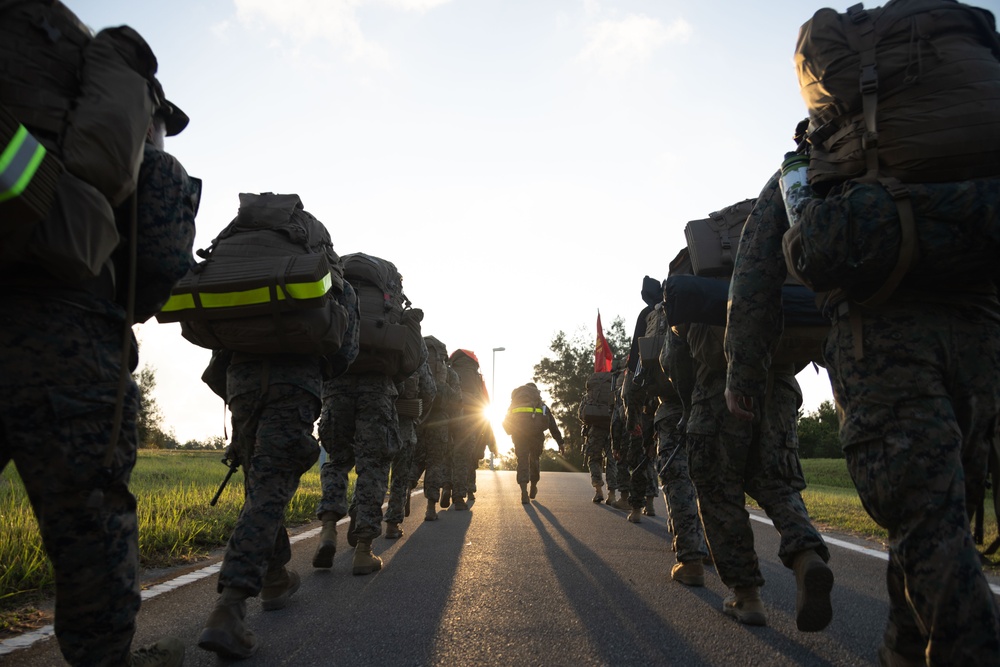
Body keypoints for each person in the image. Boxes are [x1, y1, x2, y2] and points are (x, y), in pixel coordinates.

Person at [734, 158, 1000, 660]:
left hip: (881, 342)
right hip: (982, 339)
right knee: (936, 520)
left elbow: (754, 276)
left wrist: (742, 375)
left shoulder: (815, 159)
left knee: (927, 523)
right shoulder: (961, 129)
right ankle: (901, 650)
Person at [0, 6, 197, 660]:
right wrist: (124, 308)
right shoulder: (101, 85)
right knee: (90, 529)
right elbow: (162, 248)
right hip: (66, 325)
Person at [197, 195, 359, 659]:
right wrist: (311, 374)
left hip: (241, 384)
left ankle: (274, 576)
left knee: (260, 483)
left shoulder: (240, 262)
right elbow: (344, 354)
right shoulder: (326, 275)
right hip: (295, 385)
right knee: (270, 489)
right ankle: (230, 605)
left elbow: (217, 347)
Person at [384, 349, 435, 538]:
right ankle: (392, 524)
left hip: (374, 412)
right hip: (405, 419)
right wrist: (418, 412)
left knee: (371, 468)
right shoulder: (414, 342)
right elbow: (430, 390)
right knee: (400, 475)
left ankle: (358, 513)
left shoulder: (368, 322)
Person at [412, 336, 462, 520]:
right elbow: (457, 401)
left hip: (416, 417)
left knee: (415, 461)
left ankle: (404, 495)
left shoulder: (414, 366)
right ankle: (430, 509)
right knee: (435, 463)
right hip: (440, 422)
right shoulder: (450, 374)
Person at [503, 383, 565, 503]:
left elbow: (506, 420)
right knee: (534, 459)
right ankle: (533, 485)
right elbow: (552, 424)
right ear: (536, 392)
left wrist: (511, 431)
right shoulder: (541, 405)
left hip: (519, 435)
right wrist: (560, 442)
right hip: (536, 436)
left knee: (522, 460)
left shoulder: (515, 404)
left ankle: (523, 491)